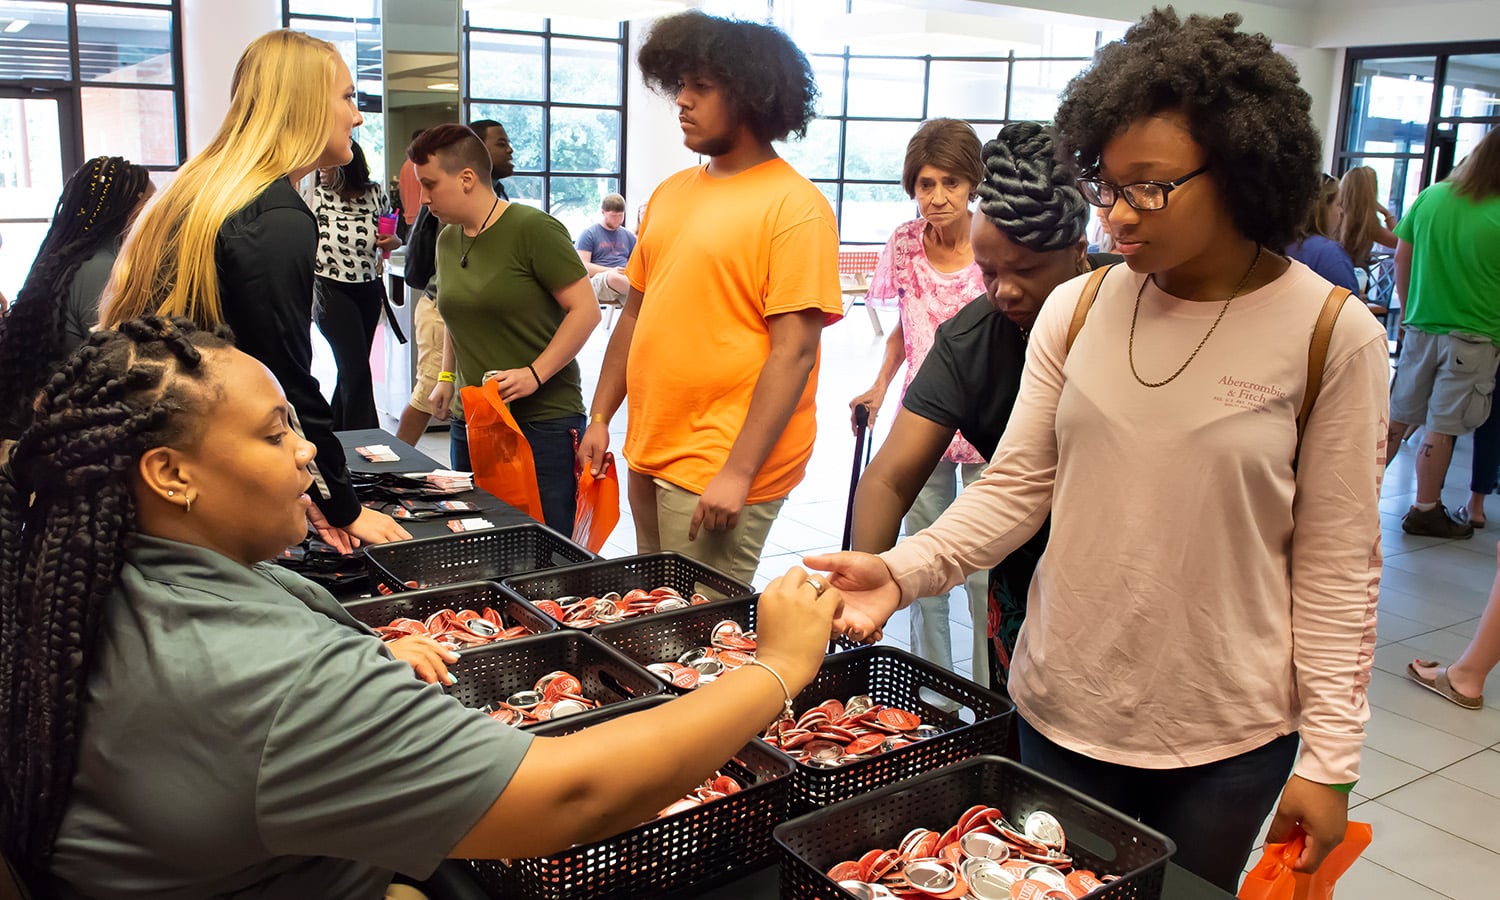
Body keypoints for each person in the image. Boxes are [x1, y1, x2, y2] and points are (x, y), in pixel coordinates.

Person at [808, 10, 1387, 891]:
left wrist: (1331, 758)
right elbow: (1014, 491)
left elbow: (1342, 564)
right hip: (1060, 708)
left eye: (1148, 187)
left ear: (1237, 170)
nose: (1116, 214)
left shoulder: (1329, 334)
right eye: (1107, 185)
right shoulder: (1080, 310)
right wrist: (902, 569)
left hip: (1227, 737)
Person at [0, 316, 839, 896]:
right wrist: (780, 666)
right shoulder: (271, 683)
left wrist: (354, 668)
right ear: (170, 476)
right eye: (272, 434)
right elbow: (569, 796)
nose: (304, 454)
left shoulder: (78, 574)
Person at [99, 29, 409, 553]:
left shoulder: (203, 189)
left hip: (164, 454)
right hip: (198, 458)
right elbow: (281, 373)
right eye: (348, 97)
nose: (357, 116)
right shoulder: (276, 216)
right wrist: (344, 507)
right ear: (305, 103)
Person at [577, 11, 842, 585]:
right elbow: (634, 318)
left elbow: (794, 352)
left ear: (750, 95)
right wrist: (601, 416)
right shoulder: (671, 195)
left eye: (702, 86)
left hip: (721, 463)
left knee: (700, 640)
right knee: (652, 613)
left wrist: (738, 474)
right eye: (680, 86)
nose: (682, 102)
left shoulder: (796, 208)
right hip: (651, 447)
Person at [852, 122, 1105, 691]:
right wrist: (865, 572)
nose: (1005, 292)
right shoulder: (972, 338)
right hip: (1025, 579)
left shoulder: (1132, 307)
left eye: (1028, 272)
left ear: (1079, 252)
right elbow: (890, 479)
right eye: (989, 273)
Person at [845, 118, 988, 680]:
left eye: (951, 183)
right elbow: (908, 323)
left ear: (973, 183)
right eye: (926, 184)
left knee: (980, 575)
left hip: (983, 428)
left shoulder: (993, 241)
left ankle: (986, 695)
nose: (937, 197)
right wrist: (879, 387)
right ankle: (933, 691)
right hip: (921, 422)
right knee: (918, 569)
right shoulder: (906, 241)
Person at [414, 124, 600, 535]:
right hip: (475, 417)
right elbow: (455, 315)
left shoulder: (533, 229)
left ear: (466, 179)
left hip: (541, 423)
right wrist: (446, 377)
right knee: (479, 537)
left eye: (430, 185)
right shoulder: (447, 240)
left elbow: (586, 312)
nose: (424, 198)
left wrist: (535, 373)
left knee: (544, 546)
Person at [1385, 126, 1500, 538]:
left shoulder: (1432, 197)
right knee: (1442, 424)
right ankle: (1425, 509)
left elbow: (1402, 257)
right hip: (1474, 334)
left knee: (1398, 418)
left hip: (1419, 326)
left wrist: (1411, 308)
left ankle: (1352, 497)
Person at [0, 156, 153, 442]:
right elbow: (122, 363)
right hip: (77, 430)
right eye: (150, 203)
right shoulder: (102, 268)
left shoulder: (63, 260)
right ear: (130, 208)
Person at [311, 139, 402, 431]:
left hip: (368, 289)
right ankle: (367, 443)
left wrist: (393, 242)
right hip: (329, 289)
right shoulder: (317, 196)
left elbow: (393, 239)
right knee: (356, 370)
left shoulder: (375, 193)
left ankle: (335, 435)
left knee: (352, 371)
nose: (321, 169)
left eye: (327, 162)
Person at [1284, 173, 1359, 295]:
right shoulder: (1329, 254)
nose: (1341, 211)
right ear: (1323, 208)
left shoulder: (1272, 246)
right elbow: (1351, 309)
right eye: (1338, 204)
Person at [576, 193, 635, 308]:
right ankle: (645, 296)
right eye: (614, 216)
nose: (618, 220)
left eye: (620, 216)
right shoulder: (589, 234)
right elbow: (583, 266)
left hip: (625, 278)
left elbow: (637, 261)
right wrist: (611, 270)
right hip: (599, 278)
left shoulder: (628, 236)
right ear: (603, 212)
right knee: (613, 277)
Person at [1337, 165, 1399, 269]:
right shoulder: (1366, 224)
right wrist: (1387, 214)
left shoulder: (1333, 214)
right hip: (1355, 274)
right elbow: (1398, 242)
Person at [468, 118, 513, 199]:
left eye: (508, 143)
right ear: (477, 150)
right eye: (501, 144)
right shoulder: (460, 197)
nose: (510, 150)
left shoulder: (499, 191)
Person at [398, 128, 425, 230]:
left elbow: (402, 192)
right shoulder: (422, 165)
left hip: (409, 216)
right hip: (423, 217)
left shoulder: (406, 165)